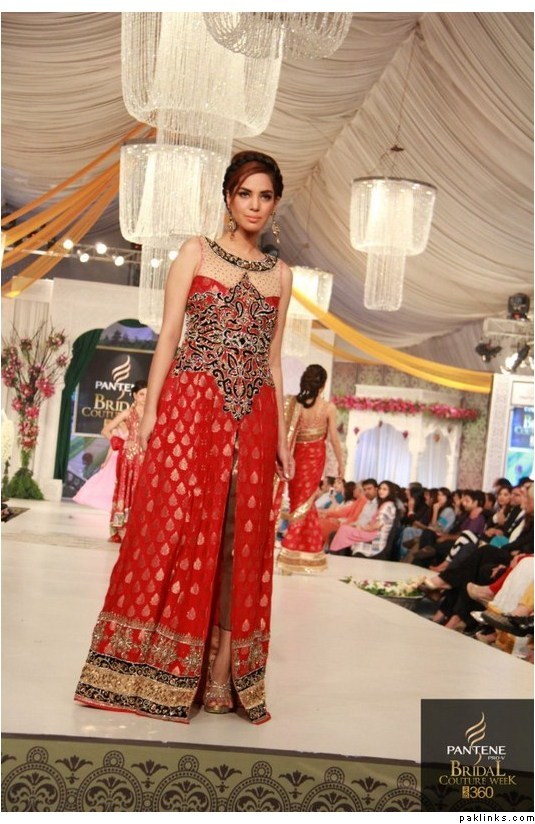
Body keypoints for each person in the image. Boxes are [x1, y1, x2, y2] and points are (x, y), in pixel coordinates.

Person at [75, 151, 293, 724]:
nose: (254, 205)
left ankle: (220, 671)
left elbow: (273, 361)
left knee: (238, 539)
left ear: (275, 205)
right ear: (228, 197)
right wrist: (151, 414)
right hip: (192, 407)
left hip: (254, 414)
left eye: (265, 196)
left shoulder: (281, 275)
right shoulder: (196, 252)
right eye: (245, 193)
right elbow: (169, 335)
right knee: (171, 525)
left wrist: (281, 437)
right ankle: (151, 663)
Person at [275, 364, 344, 575]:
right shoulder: (328, 408)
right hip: (314, 457)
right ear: (322, 385)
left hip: (295, 457)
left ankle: (304, 553)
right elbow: (334, 439)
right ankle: (289, 551)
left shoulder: (295, 404)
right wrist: (341, 464)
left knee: (300, 503)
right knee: (303, 504)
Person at [102, 380, 148, 543]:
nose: (144, 398)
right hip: (128, 459)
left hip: (145, 458)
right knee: (126, 489)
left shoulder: (152, 415)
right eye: (141, 394)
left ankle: (138, 529)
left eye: (147, 395)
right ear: (135, 395)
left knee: (141, 491)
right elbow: (105, 430)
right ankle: (121, 529)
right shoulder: (127, 413)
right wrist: (121, 443)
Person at [72, 421, 127, 511]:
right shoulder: (115, 431)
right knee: (110, 479)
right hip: (115, 456)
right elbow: (111, 447)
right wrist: (106, 461)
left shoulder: (132, 428)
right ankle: (109, 501)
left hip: (126, 456)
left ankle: (117, 502)